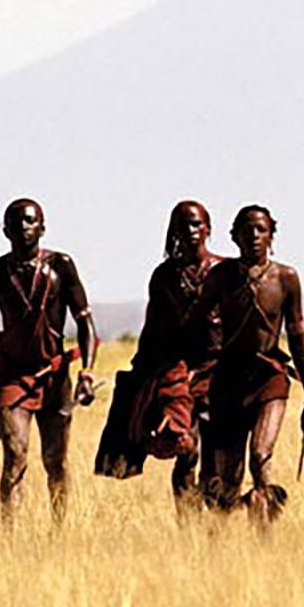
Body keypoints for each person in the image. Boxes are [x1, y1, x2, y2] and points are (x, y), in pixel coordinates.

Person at [0, 197, 97, 525]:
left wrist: (87, 372)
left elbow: (86, 324)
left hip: (54, 378)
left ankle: (58, 531)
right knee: (14, 455)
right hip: (12, 377)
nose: (24, 227)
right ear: (5, 229)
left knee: (56, 462)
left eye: (30, 221)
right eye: (17, 222)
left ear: (43, 227)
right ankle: (11, 537)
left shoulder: (61, 266)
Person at [190, 205, 304, 525]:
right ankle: (220, 543)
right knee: (229, 475)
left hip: (269, 378)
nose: (254, 236)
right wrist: (192, 371)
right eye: (247, 229)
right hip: (229, 381)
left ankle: (264, 544)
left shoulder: (286, 278)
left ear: (271, 235)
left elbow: (298, 335)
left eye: (261, 229)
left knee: (260, 456)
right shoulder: (220, 277)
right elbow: (196, 322)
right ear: (234, 236)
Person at [131, 200, 222, 515]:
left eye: (197, 224)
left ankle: (214, 526)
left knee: (215, 455)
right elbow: (152, 327)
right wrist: (140, 376)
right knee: (185, 448)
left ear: (208, 228)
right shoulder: (164, 277)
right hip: (177, 370)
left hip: (219, 370)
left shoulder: (224, 271)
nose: (191, 231)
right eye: (184, 225)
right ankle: (188, 528)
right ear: (174, 231)